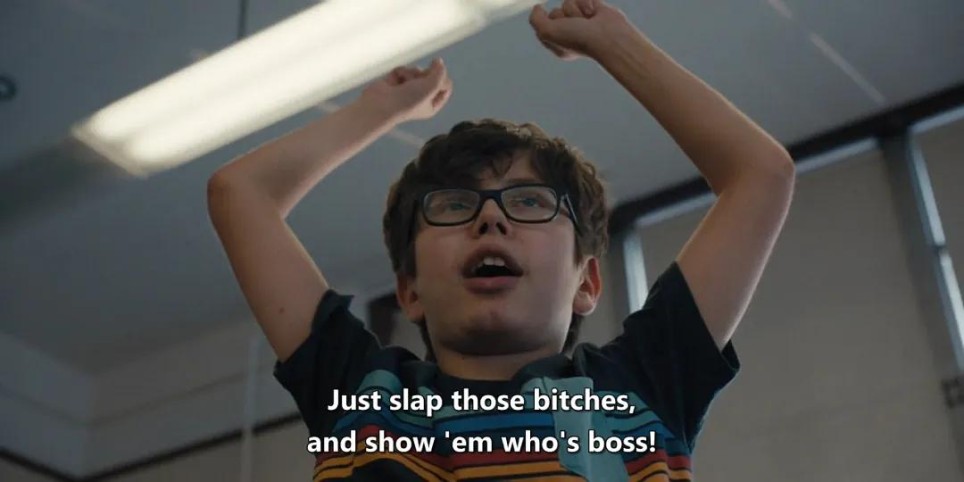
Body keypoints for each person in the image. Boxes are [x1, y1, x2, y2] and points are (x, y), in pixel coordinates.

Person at [207, 0, 795, 479]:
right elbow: (240, 193)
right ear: (409, 291)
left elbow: (760, 175)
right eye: (453, 205)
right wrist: (378, 110)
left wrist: (616, 44)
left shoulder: (642, 386)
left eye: (531, 202)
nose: (490, 220)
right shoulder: (363, 396)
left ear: (587, 281)